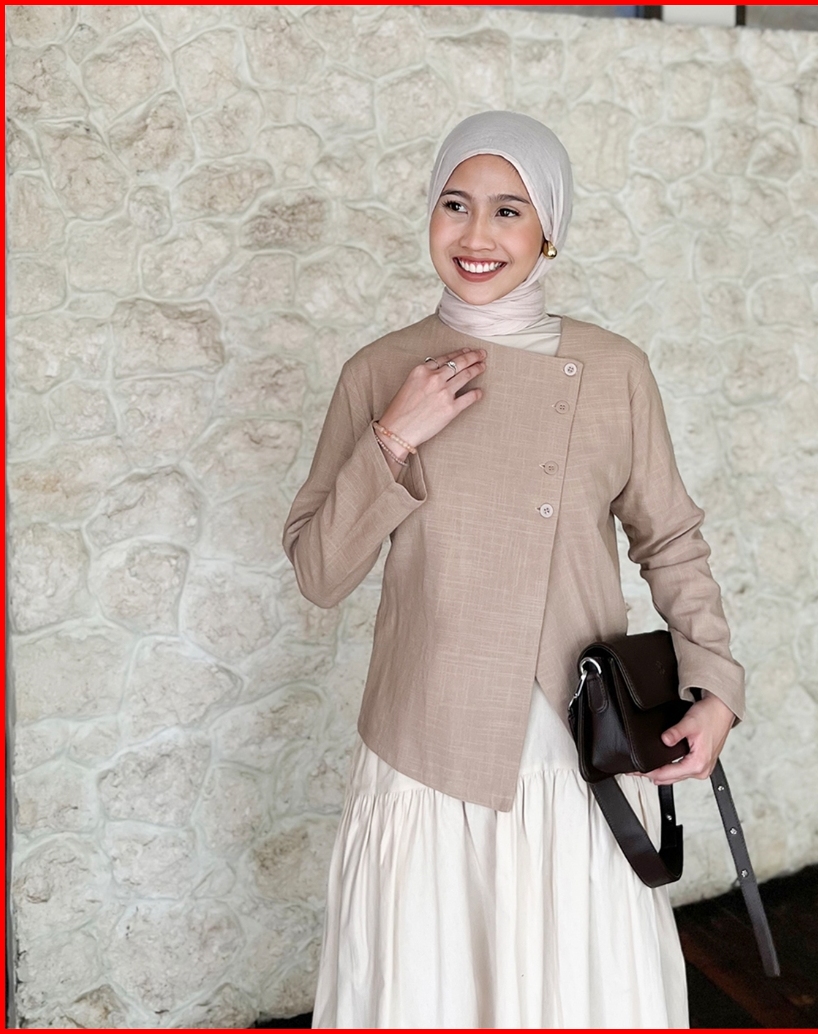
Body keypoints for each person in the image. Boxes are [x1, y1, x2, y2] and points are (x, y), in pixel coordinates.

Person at [283, 111, 745, 1029]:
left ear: (549, 229)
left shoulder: (614, 370)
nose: (477, 235)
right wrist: (394, 437)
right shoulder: (380, 371)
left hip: (575, 747)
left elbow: (670, 539)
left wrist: (715, 684)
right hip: (426, 744)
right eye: (455, 204)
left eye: (508, 210)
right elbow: (319, 571)